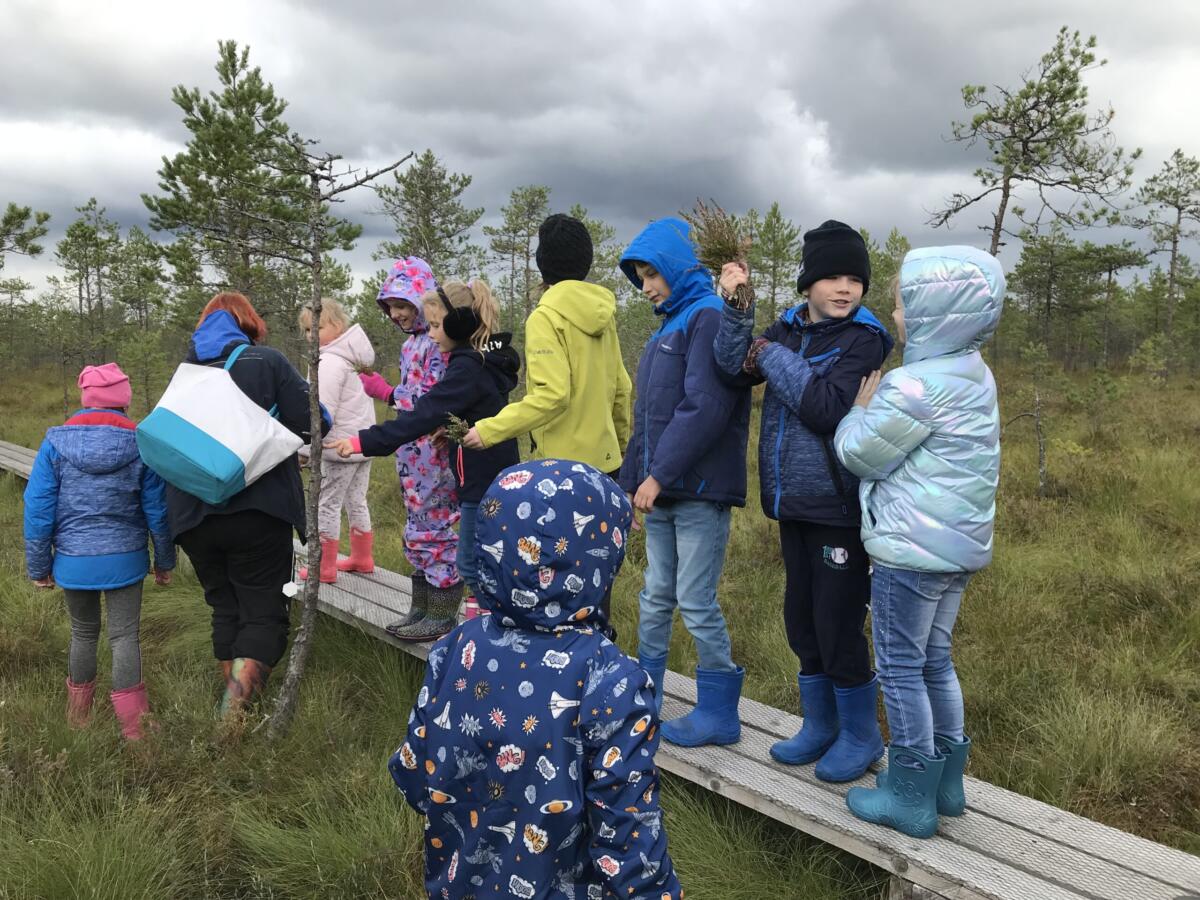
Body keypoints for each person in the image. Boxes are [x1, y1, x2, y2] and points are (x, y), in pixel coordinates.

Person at [387, 460, 683, 900]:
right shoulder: (611, 679)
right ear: (603, 557)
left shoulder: (456, 646)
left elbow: (413, 773)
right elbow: (627, 836)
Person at [714, 220, 893, 782]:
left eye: (854, 280)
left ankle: (861, 735)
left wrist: (766, 352)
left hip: (838, 507)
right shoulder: (788, 328)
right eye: (832, 277)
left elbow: (825, 408)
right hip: (791, 502)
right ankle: (821, 724)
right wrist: (738, 312)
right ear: (808, 283)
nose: (844, 288)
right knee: (802, 619)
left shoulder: (864, 339)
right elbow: (731, 367)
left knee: (837, 622)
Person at [835, 246, 1003, 838]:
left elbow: (861, 455)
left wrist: (856, 412)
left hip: (909, 551)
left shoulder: (913, 385)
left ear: (936, 312)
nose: (896, 315)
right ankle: (947, 785)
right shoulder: (976, 373)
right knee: (935, 659)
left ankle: (909, 798)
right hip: (957, 549)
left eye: (905, 305)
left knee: (900, 667)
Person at [463, 214, 633, 633]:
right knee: (597, 579)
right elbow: (622, 389)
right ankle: (599, 660)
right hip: (604, 469)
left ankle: (557, 666)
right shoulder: (604, 315)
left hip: (560, 475)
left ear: (543, 264)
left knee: (555, 585)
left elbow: (551, 396)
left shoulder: (545, 317)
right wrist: (618, 447)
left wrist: (488, 430)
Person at [618, 216, 751, 748]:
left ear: (675, 266)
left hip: (698, 492)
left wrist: (657, 475)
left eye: (652, 274)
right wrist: (631, 483)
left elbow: (706, 407)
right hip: (663, 491)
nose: (646, 287)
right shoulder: (664, 329)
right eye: (640, 278)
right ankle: (646, 694)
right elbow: (647, 417)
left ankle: (719, 713)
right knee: (655, 596)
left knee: (695, 601)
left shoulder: (709, 316)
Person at [329, 280, 520, 640]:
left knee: (471, 564)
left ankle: (484, 632)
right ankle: (447, 617)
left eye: (434, 325)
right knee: (474, 558)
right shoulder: (476, 362)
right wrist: (452, 428)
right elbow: (470, 408)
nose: (430, 334)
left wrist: (362, 442)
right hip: (479, 475)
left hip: (483, 479)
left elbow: (423, 413)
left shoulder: (468, 368)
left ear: (459, 325)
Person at [167, 292, 327, 715]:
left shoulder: (184, 372)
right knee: (262, 613)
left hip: (191, 513)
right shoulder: (266, 361)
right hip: (258, 507)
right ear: (249, 325)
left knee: (225, 609)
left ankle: (233, 709)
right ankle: (232, 723)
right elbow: (316, 422)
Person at [24, 363, 175, 740]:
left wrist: (39, 566)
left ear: (85, 398)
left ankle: (78, 717)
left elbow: (38, 508)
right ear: (124, 400)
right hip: (125, 557)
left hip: (73, 560)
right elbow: (157, 511)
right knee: (124, 636)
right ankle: (134, 727)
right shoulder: (141, 444)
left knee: (82, 633)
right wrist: (164, 561)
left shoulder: (55, 443)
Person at [358, 257, 461, 632]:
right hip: (411, 456)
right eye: (390, 306)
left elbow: (433, 399)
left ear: (423, 301)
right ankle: (421, 608)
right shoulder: (411, 346)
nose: (396, 314)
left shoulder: (438, 343)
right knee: (417, 526)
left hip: (434, 452)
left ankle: (442, 613)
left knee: (435, 528)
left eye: (403, 305)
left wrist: (388, 393)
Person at [296, 298, 376, 583]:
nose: (311, 335)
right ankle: (362, 558)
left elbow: (320, 412)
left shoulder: (328, 362)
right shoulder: (353, 359)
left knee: (327, 503)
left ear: (338, 326)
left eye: (317, 328)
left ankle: (324, 567)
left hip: (337, 447)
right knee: (356, 500)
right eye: (307, 330)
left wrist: (305, 449)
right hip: (362, 443)